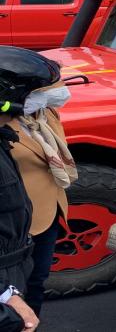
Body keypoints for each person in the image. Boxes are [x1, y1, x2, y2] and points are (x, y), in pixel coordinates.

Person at [0, 46, 61, 331]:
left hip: (37, 227)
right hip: (8, 255)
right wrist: (6, 292)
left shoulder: (41, 117)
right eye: (37, 92)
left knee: (35, 285)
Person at [9, 79, 75, 316]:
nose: (60, 90)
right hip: (15, 217)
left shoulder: (46, 113)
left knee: (37, 279)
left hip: (50, 210)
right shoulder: (5, 121)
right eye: (51, 86)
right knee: (11, 287)